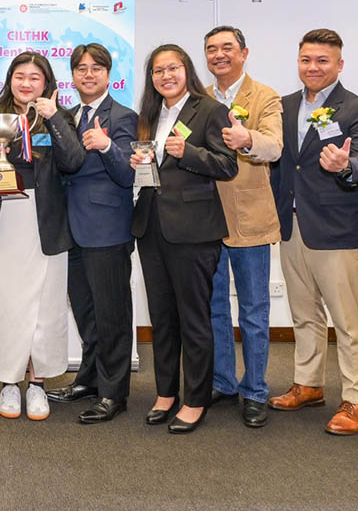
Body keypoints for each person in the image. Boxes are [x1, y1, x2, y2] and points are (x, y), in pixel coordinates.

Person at [0, 51, 84, 421]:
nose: (26, 83)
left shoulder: (59, 116)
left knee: (44, 308)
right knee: (4, 307)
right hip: (1, 221)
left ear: (46, 82)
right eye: (20, 76)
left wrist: (54, 117)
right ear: (9, 79)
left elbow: (73, 161)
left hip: (45, 223)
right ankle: (9, 383)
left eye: (34, 77)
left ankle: (38, 383)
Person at [268, 29, 358, 435]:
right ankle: (308, 384)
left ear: (339, 64)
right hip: (292, 225)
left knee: (349, 322)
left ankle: (356, 399)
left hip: (336, 230)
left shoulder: (357, 109)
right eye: (306, 60)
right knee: (304, 314)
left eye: (322, 60)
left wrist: (346, 166)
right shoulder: (284, 105)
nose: (312, 67)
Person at [129, 44, 237, 433]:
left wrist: (189, 152)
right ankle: (165, 393)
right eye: (158, 71)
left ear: (186, 70)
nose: (166, 76)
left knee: (193, 318)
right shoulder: (149, 114)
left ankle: (195, 399)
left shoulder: (209, 109)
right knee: (162, 317)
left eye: (172, 68)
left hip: (193, 230)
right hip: (151, 227)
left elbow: (227, 165)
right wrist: (137, 162)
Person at [47, 43, 138, 424]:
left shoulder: (123, 116)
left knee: (111, 314)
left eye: (96, 68)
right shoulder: (66, 115)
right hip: (70, 229)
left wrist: (107, 146)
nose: (88, 74)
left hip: (107, 229)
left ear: (108, 74)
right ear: (72, 76)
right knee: (87, 313)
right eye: (81, 68)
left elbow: (128, 174)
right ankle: (88, 379)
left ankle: (113, 393)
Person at [203, 25, 283, 429]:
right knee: (214, 308)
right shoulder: (199, 97)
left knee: (253, 311)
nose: (219, 55)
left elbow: (274, 147)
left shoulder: (265, 96)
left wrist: (246, 137)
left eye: (227, 48)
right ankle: (222, 382)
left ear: (244, 53)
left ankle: (254, 390)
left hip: (251, 220)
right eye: (211, 49)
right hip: (206, 220)